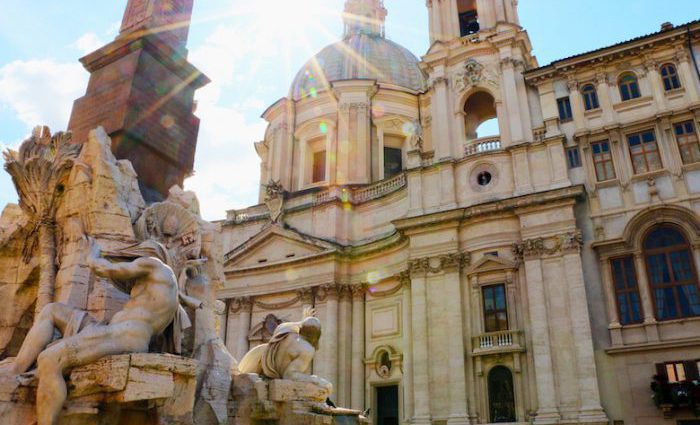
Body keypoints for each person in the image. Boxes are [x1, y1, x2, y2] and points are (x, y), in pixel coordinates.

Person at [1, 237, 179, 425]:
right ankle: (16, 371)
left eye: (134, 257)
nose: (132, 261)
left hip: (125, 335)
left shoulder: (155, 264)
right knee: (52, 310)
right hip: (110, 331)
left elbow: (106, 269)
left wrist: (92, 255)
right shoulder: (162, 290)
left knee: (49, 359)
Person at [238, 308, 331, 392]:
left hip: (259, 362)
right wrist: (315, 380)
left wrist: (305, 320)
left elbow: (296, 325)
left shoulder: (284, 329)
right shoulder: (307, 349)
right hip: (273, 378)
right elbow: (289, 375)